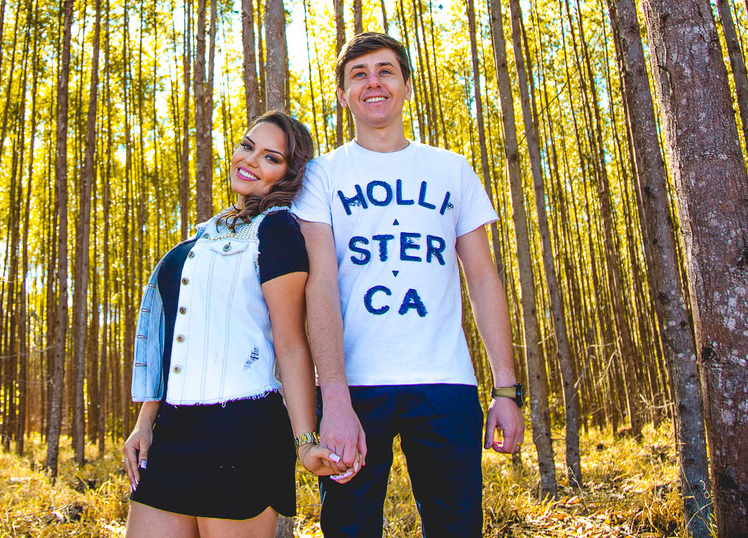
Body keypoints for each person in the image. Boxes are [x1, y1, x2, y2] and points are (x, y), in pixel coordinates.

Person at [292, 32, 525, 537]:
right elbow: (321, 286)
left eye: (385, 71)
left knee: (457, 528)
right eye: (359, 75)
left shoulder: (451, 169)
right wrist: (332, 397)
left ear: (407, 86)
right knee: (349, 529)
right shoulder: (321, 175)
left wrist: (506, 388)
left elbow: (483, 280)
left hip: (445, 384)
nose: (372, 82)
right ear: (342, 94)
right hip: (355, 389)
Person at [123, 110, 340, 538]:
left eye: (271, 157)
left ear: (288, 175)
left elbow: (291, 345)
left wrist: (305, 441)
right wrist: (144, 422)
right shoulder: (202, 237)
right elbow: (173, 344)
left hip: (242, 433)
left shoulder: (276, 231)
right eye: (247, 146)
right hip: (171, 435)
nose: (251, 160)